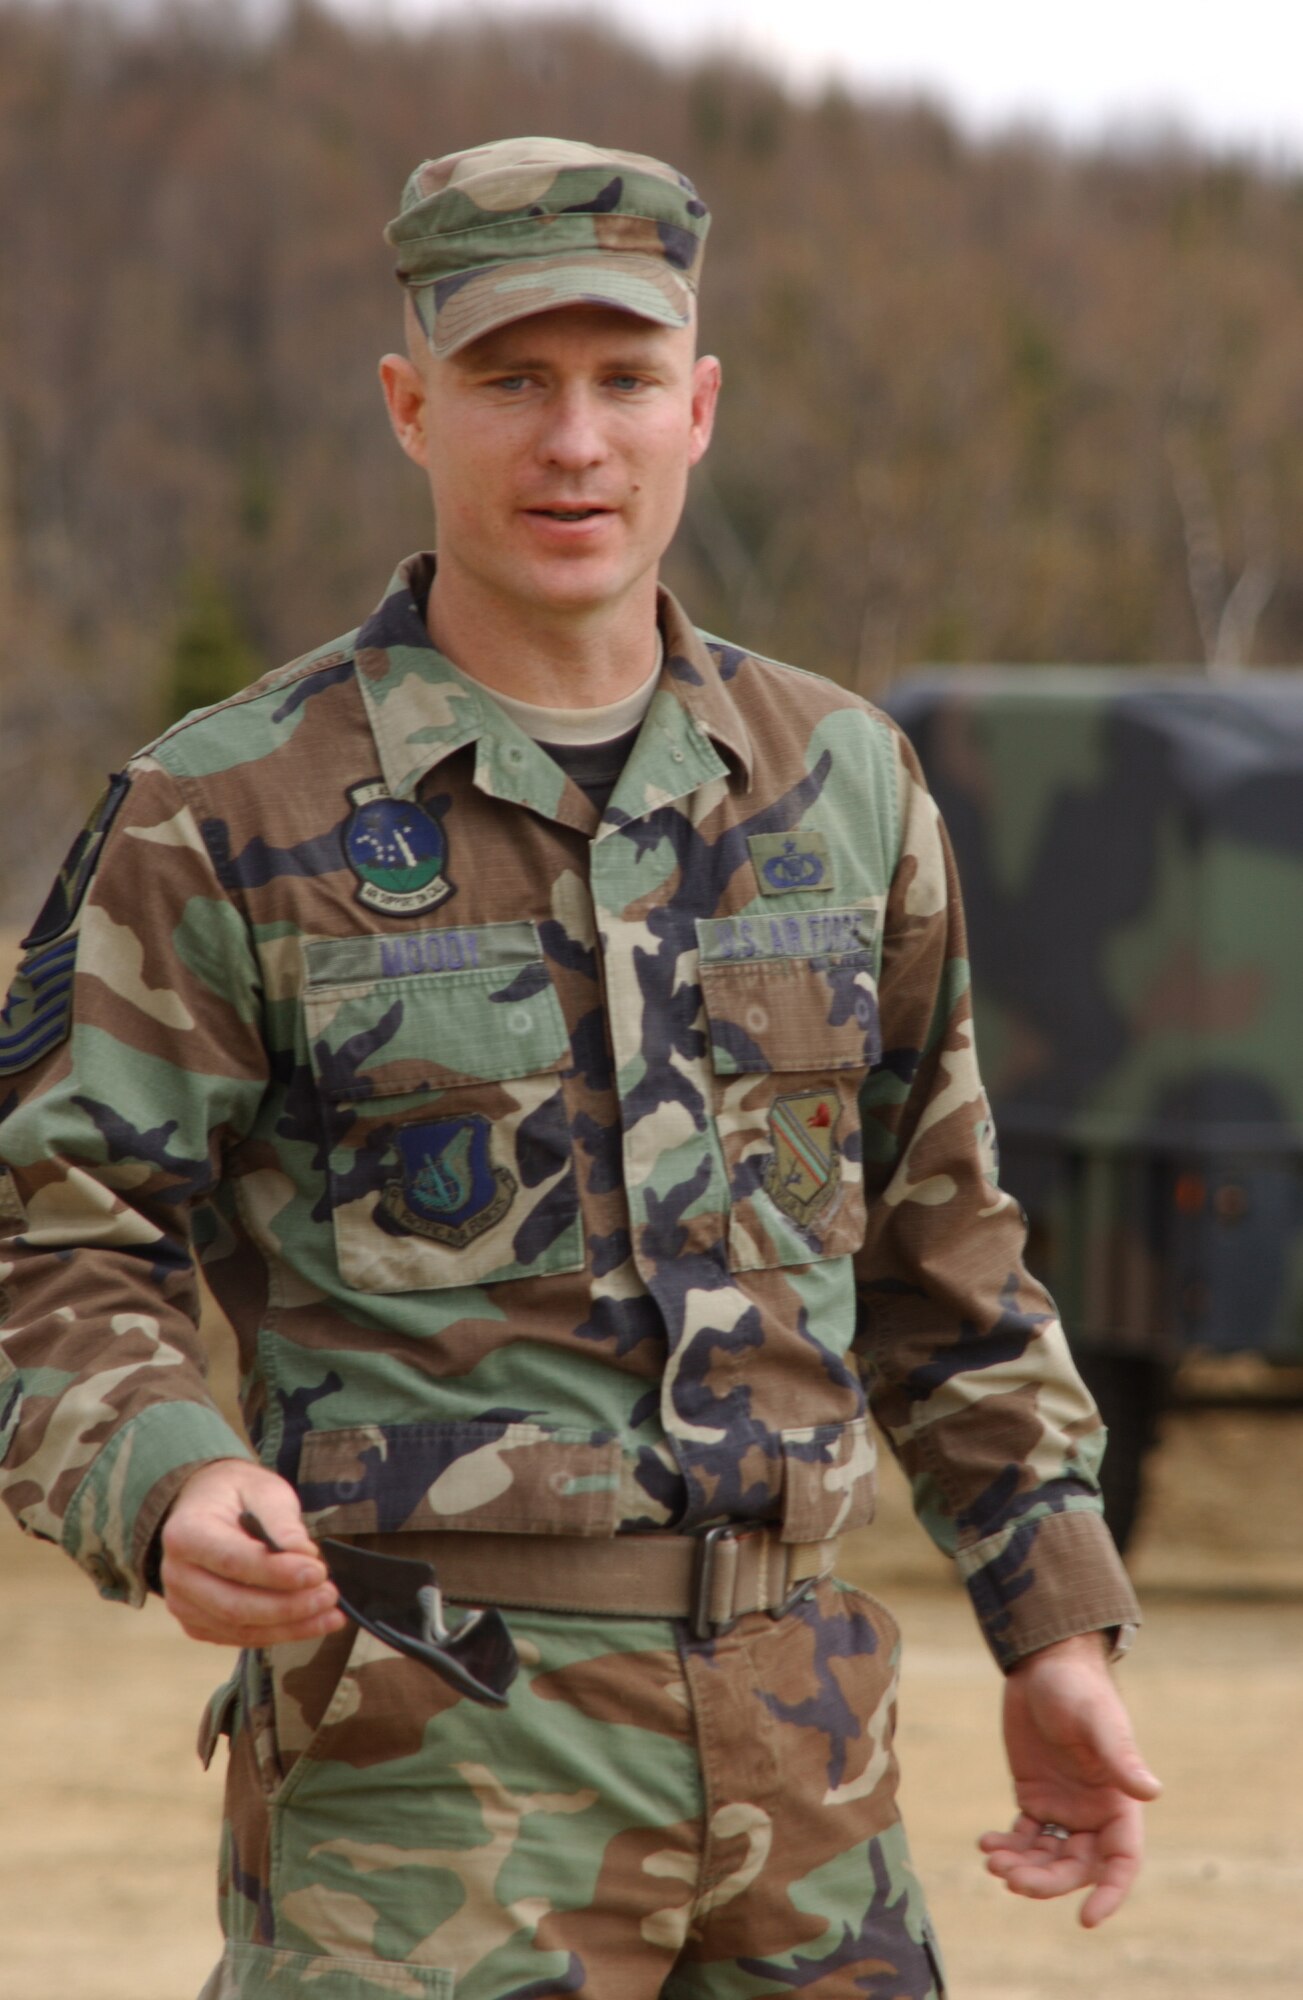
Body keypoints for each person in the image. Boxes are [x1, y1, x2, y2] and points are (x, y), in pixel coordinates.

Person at [0, 137, 1158, 1999]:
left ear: (698, 408)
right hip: (431, 1771)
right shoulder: (227, 812)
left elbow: (947, 1265)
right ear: (408, 405)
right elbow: (50, 1240)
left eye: (624, 382)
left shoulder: (842, 786)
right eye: (510, 381)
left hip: (811, 1767)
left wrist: (1057, 1628)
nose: (574, 444)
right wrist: (162, 1470)